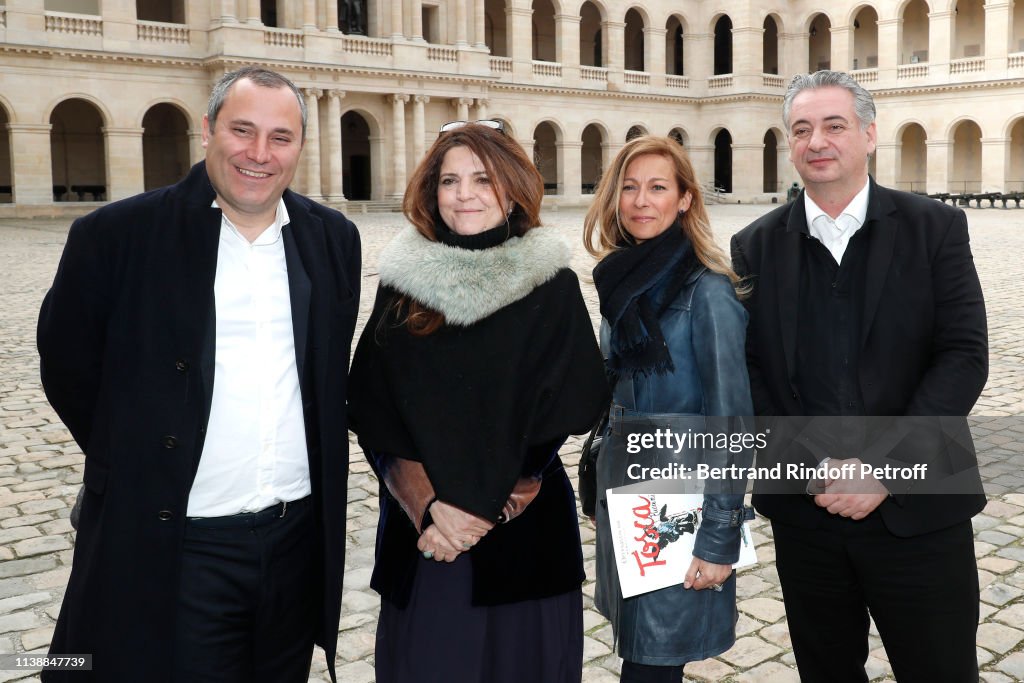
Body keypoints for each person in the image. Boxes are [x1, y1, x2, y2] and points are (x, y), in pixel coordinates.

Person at [37, 66, 361, 683]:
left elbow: (326, 377)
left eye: (280, 137)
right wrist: (145, 457)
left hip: (294, 544)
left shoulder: (333, 238)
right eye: (242, 130)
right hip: (180, 547)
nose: (259, 154)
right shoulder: (116, 235)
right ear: (208, 129)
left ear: (299, 145)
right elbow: (68, 368)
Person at [730, 70, 988, 683]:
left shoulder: (935, 229)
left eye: (834, 125)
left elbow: (962, 356)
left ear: (869, 135)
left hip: (921, 507)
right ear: (789, 144)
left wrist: (883, 467)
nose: (816, 140)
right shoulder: (754, 246)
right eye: (801, 129)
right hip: (807, 511)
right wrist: (814, 467)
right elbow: (753, 374)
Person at [347, 120, 608, 683]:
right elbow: (373, 407)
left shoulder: (550, 282)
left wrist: (487, 505)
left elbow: (570, 401)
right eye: (449, 180)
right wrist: (430, 507)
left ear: (511, 187)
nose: (464, 194)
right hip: (428, 539)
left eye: (482, 179)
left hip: (521, 536)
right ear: (430, 192)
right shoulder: (403, 283)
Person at [585, 135, 754, 683]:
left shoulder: (708, 292)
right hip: (627, 499)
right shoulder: (621, 283)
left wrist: (719, 536)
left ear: (684, 199)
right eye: (629, 187)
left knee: (651, 665)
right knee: (639, 653)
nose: (640, 200)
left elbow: (733, 423)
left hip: (677, 506)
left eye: (658, 187)